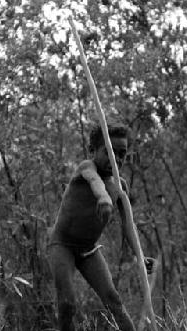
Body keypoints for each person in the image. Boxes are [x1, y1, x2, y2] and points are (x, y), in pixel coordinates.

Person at [47, 123, 152, 331]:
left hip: (89, 250)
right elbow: (95, 181)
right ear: (93, 151)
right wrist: (104, 198)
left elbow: (128, 224)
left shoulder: (120, 186)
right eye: (110, 152)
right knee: (67, 303)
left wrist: (139, 256)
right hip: (62, 245)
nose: (117, 159)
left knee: (114, 300)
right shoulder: (86, 167)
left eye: (122, 154)